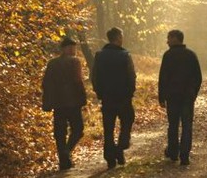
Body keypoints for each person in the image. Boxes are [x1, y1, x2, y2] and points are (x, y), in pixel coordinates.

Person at [91, 27, 137, 169]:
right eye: (121, 36)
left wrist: (99, 93)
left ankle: (110, 158)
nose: (122, 38)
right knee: (128, 120)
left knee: (108, 129)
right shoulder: (125, 55)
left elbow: (94, 76)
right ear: (117, 38)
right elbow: (131, 76)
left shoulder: (99, 55)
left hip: (107, 98)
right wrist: (130, 92)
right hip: (123, 97)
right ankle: (120, 148)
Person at [41, 36, 87, 171]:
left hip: (58, 103)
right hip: (73, 103)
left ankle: (63, 161)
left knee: (60, 133)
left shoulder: (52, 63)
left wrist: (48, 101)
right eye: (71, 47)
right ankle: (66, 152)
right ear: (64, 49)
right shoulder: (75, 62)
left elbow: (46, 83)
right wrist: (83, 98)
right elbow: (78, 81)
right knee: (78, 130)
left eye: (74, 47)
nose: (73, 50)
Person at [158, 29, 202, 165]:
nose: (167, 41)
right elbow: (198, 77)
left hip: (172, 96)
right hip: (187, 97)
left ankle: (173, 152)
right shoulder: (191, 55)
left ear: (176, 38)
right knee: (187, 125)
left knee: (173, 125)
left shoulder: (168, 55)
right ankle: (184, 155)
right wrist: (193, 93)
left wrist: (162, 96)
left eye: (169, 38)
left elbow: (163, 78)